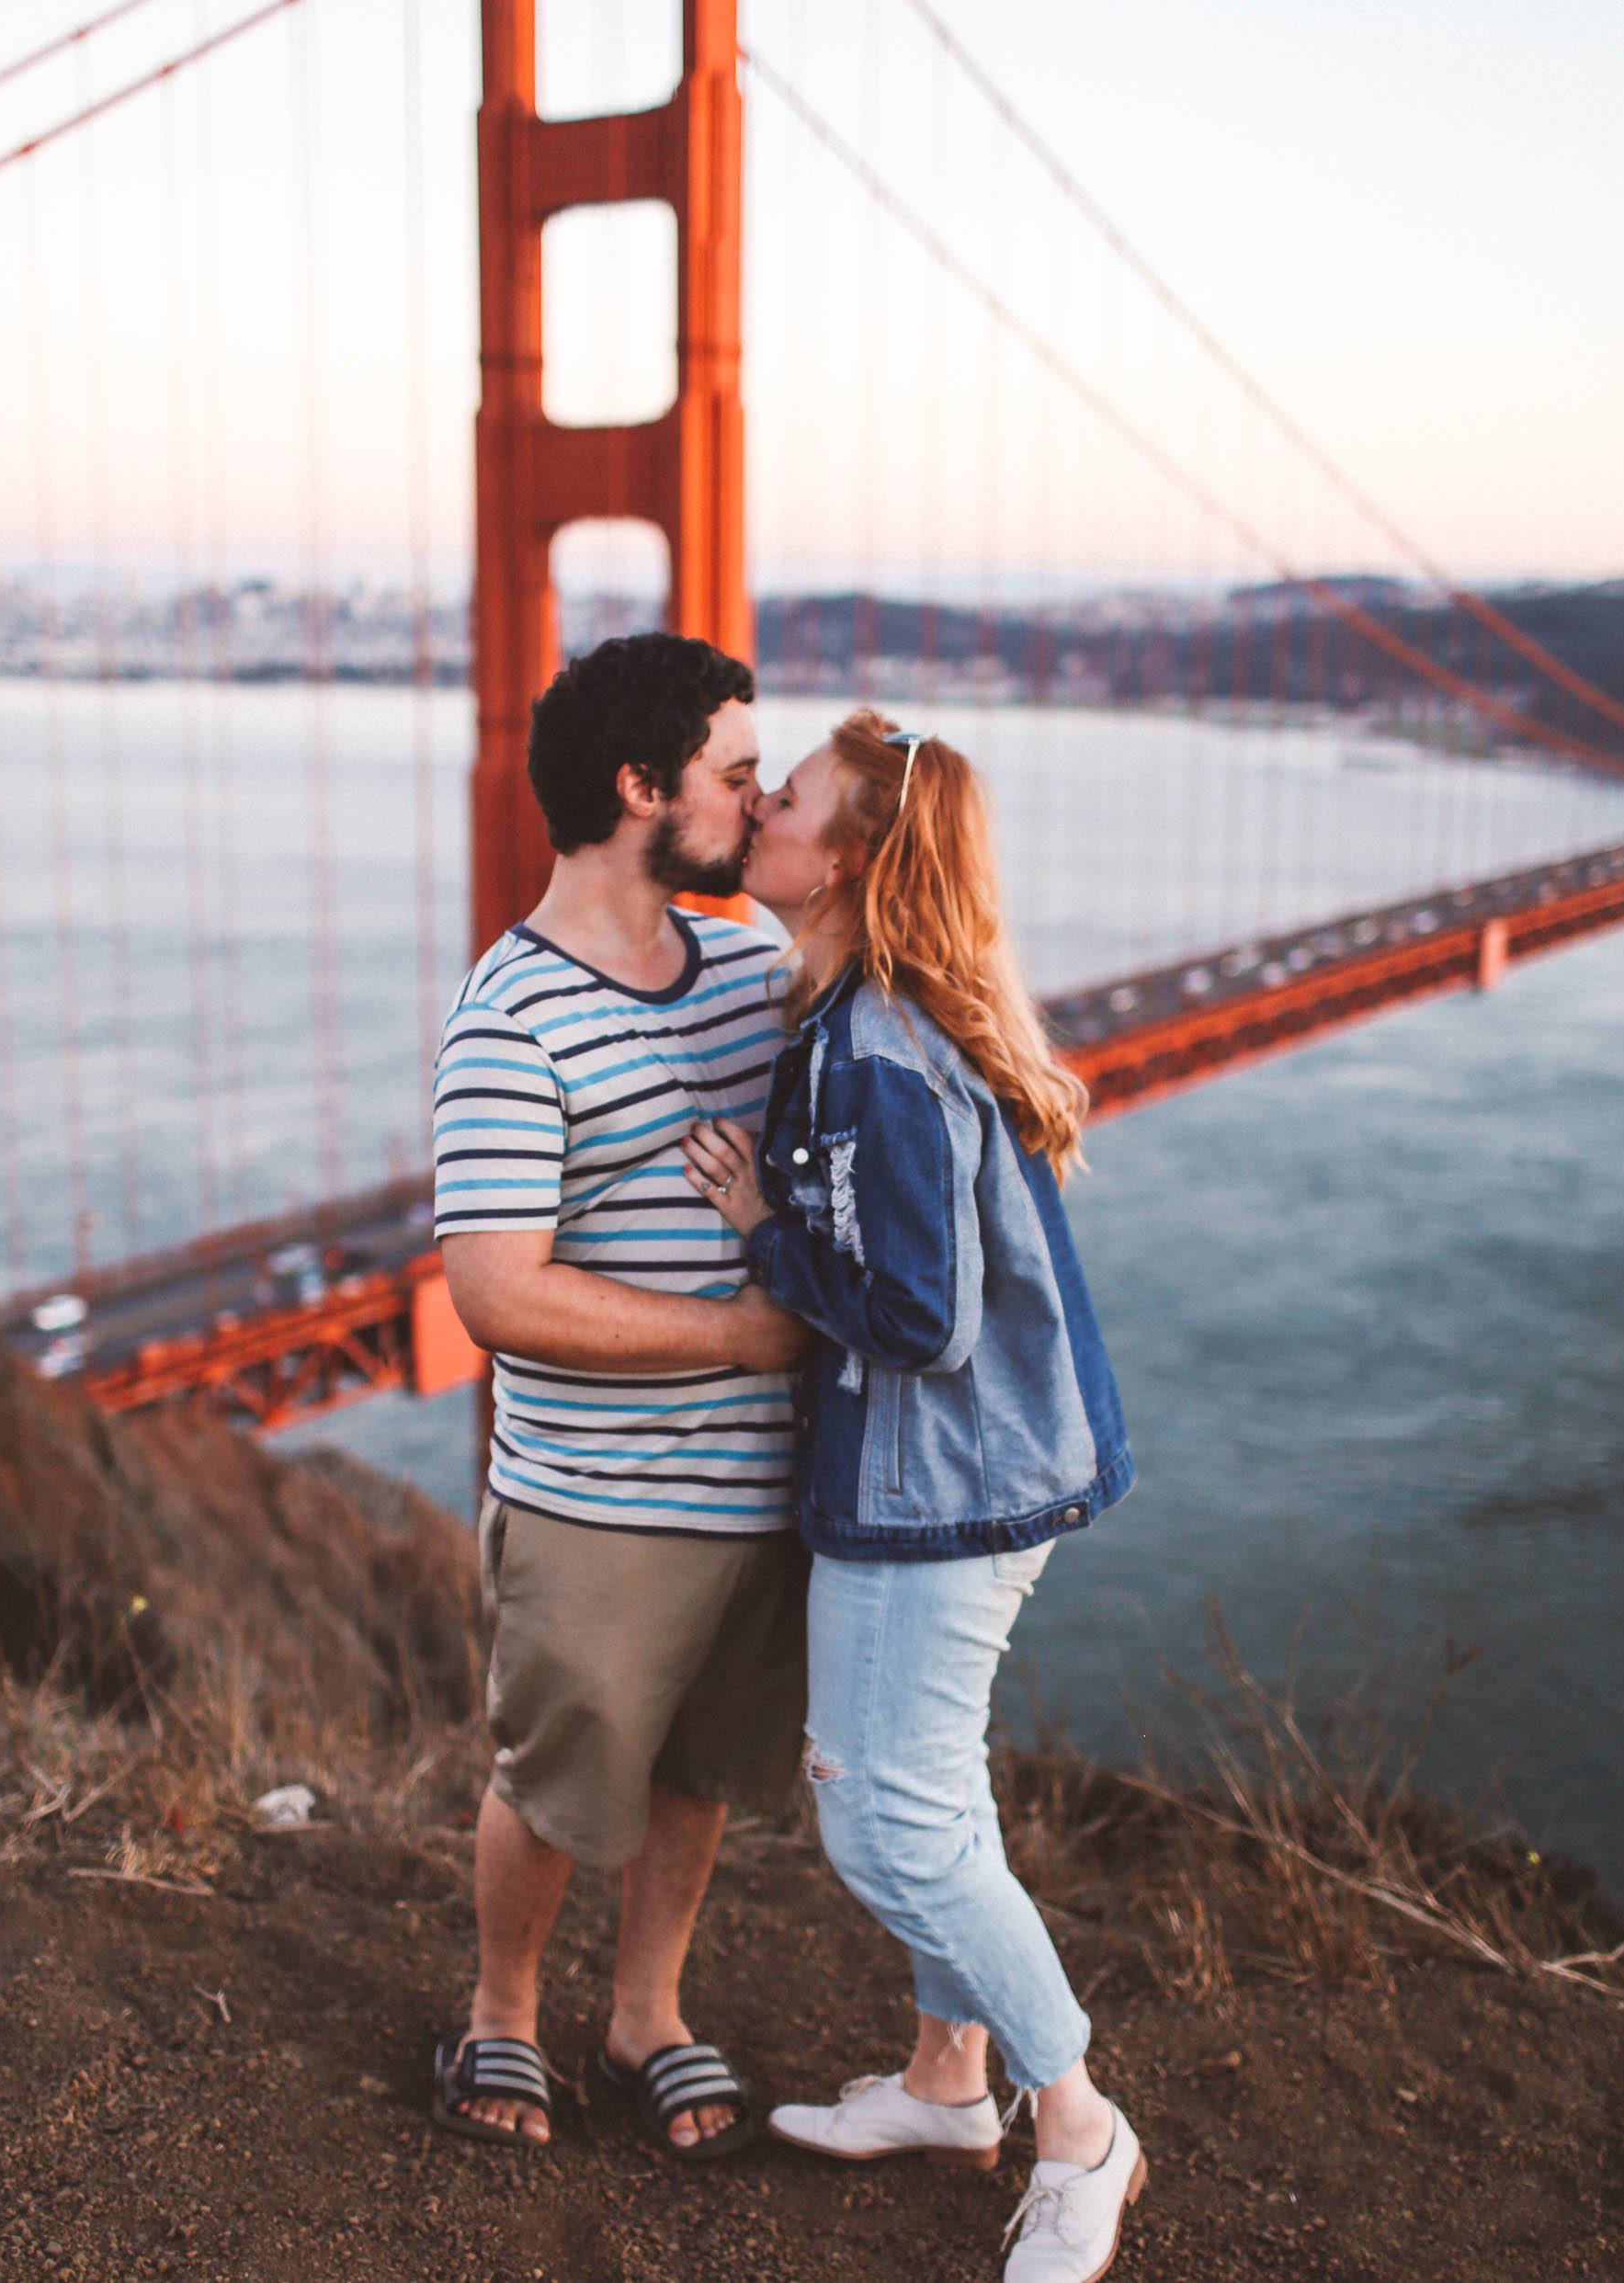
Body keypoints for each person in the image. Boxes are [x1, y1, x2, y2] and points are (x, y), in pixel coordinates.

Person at [681, 710, 1145, 2279]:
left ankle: (1079, 2125)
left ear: (853, 857)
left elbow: (918, 1319)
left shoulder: (876, 1050)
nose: (757, 814)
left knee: (888, 1828)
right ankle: (952, 2082)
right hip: (961, 1475)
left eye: (787, 799)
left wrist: (764, 1232)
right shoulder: (858, 1012)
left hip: (938, 1488)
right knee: (933, 1795)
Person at [430, 632, 811, 2160]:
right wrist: (739, 1338)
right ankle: (502, 2015)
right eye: (734, 773)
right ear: (640, 786)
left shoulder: (752, 965)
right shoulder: (509, 1017)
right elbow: (495, 1292)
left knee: (698, 1772)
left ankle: (646, 2012)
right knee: (556, 1777)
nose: (760, 797)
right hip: (598, 1502)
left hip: (763, 1492)